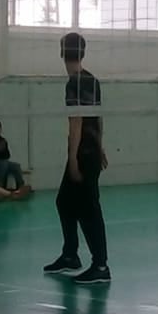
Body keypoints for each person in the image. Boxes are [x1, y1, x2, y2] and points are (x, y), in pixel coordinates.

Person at [43, 33, 109, 284]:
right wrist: (100, 146)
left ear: (62, 53)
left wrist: (72, 159)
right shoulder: (92, 79)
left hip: (83, 153)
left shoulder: (74, 83)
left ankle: (100, 265)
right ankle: (70, 255)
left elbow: (77, 121)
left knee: (89, 208)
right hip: (91, 150)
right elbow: (98, 117)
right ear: (83, 52)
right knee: (64, 201)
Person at [0, 119, 26, 191]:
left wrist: (1, 151)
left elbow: (7, 155)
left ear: (0, 129)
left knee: (16, 166)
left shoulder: (2, 140)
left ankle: (21, 187)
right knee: (3, 164)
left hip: (2, 162)